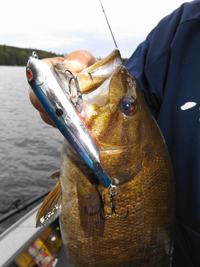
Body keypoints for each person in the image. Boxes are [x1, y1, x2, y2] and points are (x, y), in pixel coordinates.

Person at [29, 1, 200, 266]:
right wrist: (73, 79)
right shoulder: (178, 31)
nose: (126, 104)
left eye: (126, 107)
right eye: (128, 106)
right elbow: (132, 90)